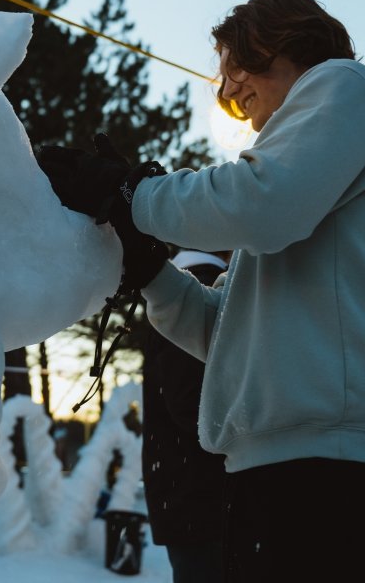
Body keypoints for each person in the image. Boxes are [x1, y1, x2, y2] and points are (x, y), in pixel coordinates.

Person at [36, 0, 365, 581]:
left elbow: (263, 201)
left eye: (230, 67)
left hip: (341, 473)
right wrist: (152, 271)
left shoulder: (343, 86)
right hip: (288, 470)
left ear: (276, 41)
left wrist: (131, 193)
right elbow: (221, 333)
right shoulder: (295, 206)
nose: (226, 92)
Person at [140, 249, 229, 583]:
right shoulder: (199, 290)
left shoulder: (176, 290)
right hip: (205, 502)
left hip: (186, 496)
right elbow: (190, 402)